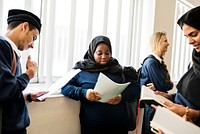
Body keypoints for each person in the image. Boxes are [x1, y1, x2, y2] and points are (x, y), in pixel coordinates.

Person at [61, 35, 141, 134]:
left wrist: (121, 96)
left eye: (107, 53)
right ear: (92, 52)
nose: (104, 56)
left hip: (119, 125)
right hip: (92, 126)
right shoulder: (81, 70)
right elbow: (64, 87)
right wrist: (84, 93)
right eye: (99, 53)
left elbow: (136, 89)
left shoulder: (120, 70)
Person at [0, 9, 48, 134]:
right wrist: (29, 74)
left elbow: (10, 90)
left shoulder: (11, 51)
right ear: (25, 26)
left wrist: (27, 96)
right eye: (34, 37)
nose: (32, 45)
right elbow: (5, 89)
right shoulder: (2, 47)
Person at [154, 5, 200, 128]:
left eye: (194, 34)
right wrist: (171, 97)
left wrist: (191, 114)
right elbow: (189, 95)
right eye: (187, 37)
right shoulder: (195, 62)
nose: (190, 41)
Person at [140, 31, 174, 134]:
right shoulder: (151, 63)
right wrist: (169, 84)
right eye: (165, 41)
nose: (168, 43)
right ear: (158, 42)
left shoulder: (157, 62)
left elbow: (162, 85)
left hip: (157, 104)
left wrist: (165, 84)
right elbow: (163, 85)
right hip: (153, 106)